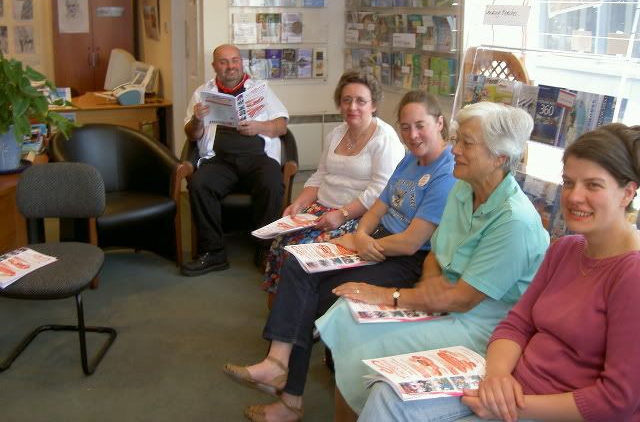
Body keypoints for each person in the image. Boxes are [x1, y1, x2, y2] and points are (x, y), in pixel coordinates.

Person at [358, 123, 640, 422]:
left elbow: (616, 400)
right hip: (509, 386)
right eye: (569, 183)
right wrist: (497, 378)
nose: (574, 197)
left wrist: (510, 404)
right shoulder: (566, 249)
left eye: (593, 185)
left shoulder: (630, 275)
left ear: (627, 193)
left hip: (547, 410)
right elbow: (517, 323)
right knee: (388, 396)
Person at [224, 90, 458, 422]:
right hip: (373, 239)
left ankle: (289, 399)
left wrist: (361, 243)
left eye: (420, 126)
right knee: (297, 263)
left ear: (439, 123)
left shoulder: (446, 172)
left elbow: (411, 242)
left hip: (406, 260)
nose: (413, 135)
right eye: (405, 127)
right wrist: (361, 234)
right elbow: (379, 206)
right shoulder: (410, 158)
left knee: (315, 295)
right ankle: (277, 362)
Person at [316, 101, 550, 421]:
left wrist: (391, 296)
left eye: (467, 143)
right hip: (440, 301)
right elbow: (436, 255)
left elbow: (462, 299)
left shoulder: (515, 221)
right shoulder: (463, 190)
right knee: (347, 313)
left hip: (480, 328)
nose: (455, 150)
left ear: (500, 158)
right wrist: (426, 291)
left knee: (367, 340)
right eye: (457, 140)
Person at [263, 70, 406, 296]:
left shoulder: (385, 139)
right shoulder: (336, 133)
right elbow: (320, 176)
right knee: (282, 240)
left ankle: (300, 312)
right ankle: (282, 307)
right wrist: (298, 205)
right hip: (321, 210)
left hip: (358, 217)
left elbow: (380, 191)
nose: (352, 107)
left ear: (374, 105)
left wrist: (342, 214)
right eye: (346, 100)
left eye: (361, 101)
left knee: (301, 253)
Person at [181, 44, 288, 275]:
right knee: (200, 184)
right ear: (214, 66)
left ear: (241, 62)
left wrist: (259, 126)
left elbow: (282, 126)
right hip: (220, 160)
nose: (231, 66)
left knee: (271, 182)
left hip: (257, 157)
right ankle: (214, 252)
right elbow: (192, 134)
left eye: (235, 60)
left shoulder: (260, 90)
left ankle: (265, 250)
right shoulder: (202, 93)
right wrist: (197, 120)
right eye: (224, 62)